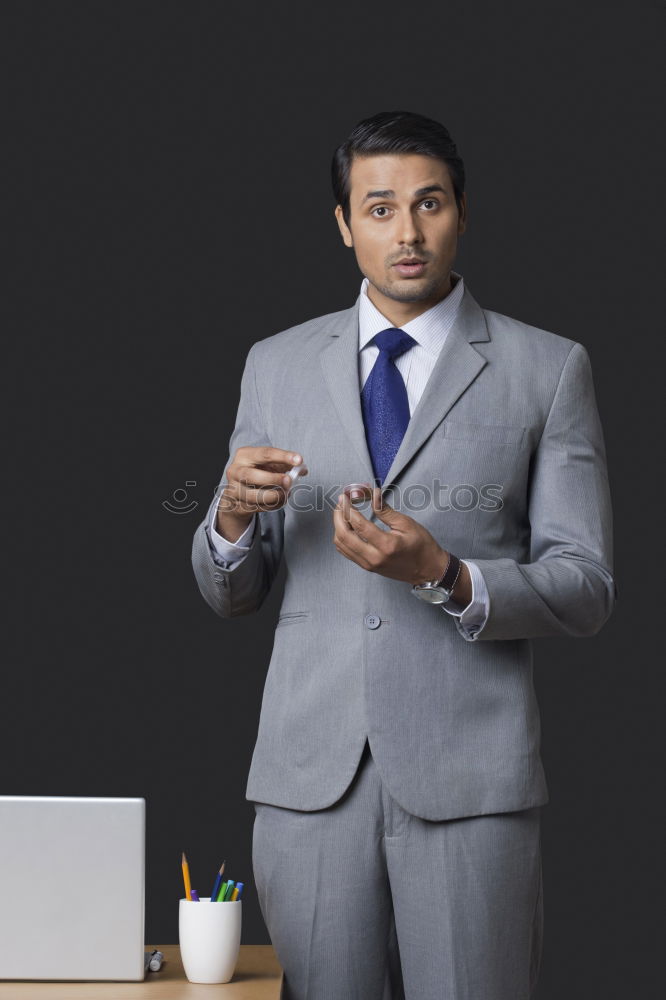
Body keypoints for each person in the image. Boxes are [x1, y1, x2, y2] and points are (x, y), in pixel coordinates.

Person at [191, 110, 616, 1000]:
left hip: (474, 783)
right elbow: (235, 592)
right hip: (309, 783)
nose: (408, 231)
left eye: (428, 204)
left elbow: (586, 587)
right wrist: (229, 517)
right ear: (345, 225)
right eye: (379, 208)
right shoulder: (274, 364)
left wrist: (447, 576)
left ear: (461, 212)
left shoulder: (548, 368)